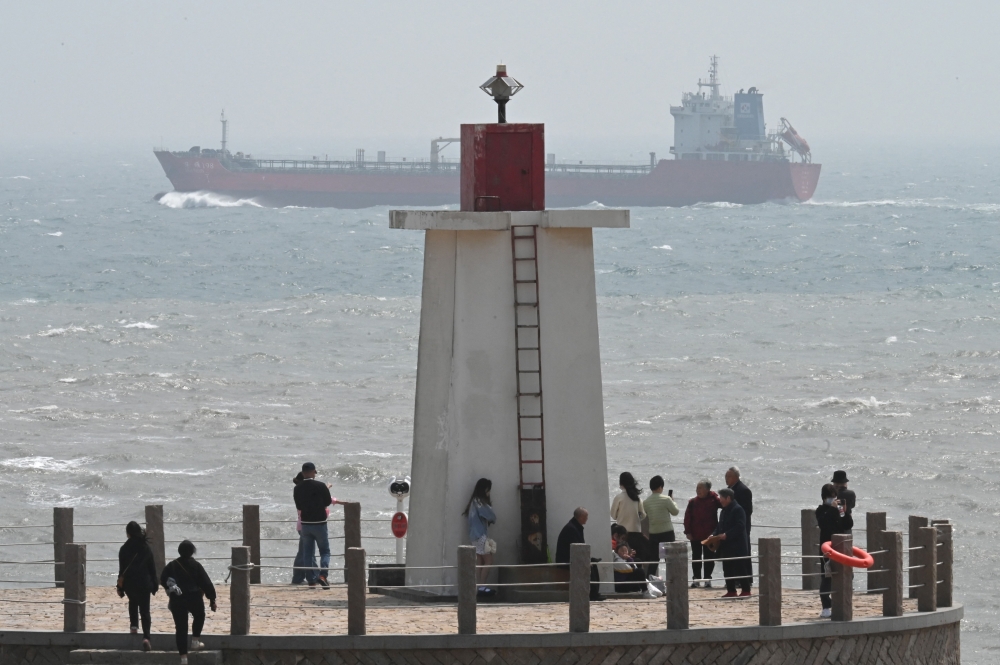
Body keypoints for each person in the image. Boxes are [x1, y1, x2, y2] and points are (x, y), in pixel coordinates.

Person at [160, 540, 217, 665]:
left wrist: (170, 587)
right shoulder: (196, 565)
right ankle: (195, 641)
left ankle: (183, 659)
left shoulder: (172, 565)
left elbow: (163, 579)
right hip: (193, 597)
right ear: (192, 552)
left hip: (177, 599)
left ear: (179, 551)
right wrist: (212, 599)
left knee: (181, 628)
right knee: (199, 615)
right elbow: (206, 583)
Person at [293, 462, 339, 588]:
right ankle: (323, 575)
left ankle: (311, 580)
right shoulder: (320, 486)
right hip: (320, 523)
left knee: (307, 553)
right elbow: (327, 502)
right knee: (325, 551)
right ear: (314, 472)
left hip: (305, 524)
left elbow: (299, 506)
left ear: (302, 473)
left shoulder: (297, 488)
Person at [702, 488, 751, 597]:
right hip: (726, 545)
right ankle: (731, 591)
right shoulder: (724, 510)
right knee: (727, 568)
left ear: (728, 498)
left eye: (722, 498)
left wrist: (727, 535)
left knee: (741, 568)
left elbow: (740, 526)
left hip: (738, 545)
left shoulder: (738, 509)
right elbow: (720, 526)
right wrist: (713, 534)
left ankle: (746, 590)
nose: (720, 500)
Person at [117, 521, 158, 651]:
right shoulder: (145, 547)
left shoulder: (124, 548)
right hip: (144, 583)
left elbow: (122, 569)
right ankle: (146, 637)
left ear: (128, 533)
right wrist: (154, 584)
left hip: (130, 583)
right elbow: (152, 568)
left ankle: (134, 626)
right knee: (145, 610)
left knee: (133, 602)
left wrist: (120, 587)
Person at [554, 507, 604, 600]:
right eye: (586, 516)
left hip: (574, 557)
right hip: (567, 560)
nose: (587, 518)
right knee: (589, 567)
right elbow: (576, 548)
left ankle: (595, 593)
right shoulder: (571, 529)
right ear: (580, 517)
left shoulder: (575, 526)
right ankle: (592, 594)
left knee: (593, 565)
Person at [816, 483, 850, 618]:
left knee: (844, 575)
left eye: (834, 497)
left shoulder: (839, 509)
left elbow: (848, 524)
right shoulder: (821, 510)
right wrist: (831, 509)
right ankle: (826, 606)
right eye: (831, 497)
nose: (833, 499)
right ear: (824, 498)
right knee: (827, 576)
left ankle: (840, 603)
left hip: (840, 547)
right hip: (827, 548)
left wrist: (844, 512)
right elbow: (823, 524)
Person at [683, 480, 721, 588]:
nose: (697, 490)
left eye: (700, 488)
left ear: (707, 490)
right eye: (697, 488)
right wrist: (688, 531)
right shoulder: (692, 502)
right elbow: (687, 518)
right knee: (696, 557)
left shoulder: (714, 500)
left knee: (709, 558)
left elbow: (725, 505)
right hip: (695, 535)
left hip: (710, 535)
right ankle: (696, 579)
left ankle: (708, 579)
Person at [462, 478, 496, 596]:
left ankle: (479, 586)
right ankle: (482, 586)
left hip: (474, 536)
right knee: (489, 560)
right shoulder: (479, 502)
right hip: (480, 535)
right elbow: (491, 515)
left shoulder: (473, 502)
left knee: (480, 561)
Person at [643, 475, 679, 576]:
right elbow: (675, 512)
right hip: (667, 533)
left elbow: (643, 515)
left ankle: (649, 582)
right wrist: (673, 501)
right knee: (670, 559)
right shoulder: (666, 499)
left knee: (654, 560)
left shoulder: (646, 502)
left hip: (654, 534)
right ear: (660, 487)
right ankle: (672, 582)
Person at [610, 472, 648, 567]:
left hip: (623, 535)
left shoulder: (619, 498)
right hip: (636, 534)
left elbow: (613, 516)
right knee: (636, 561)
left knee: (624, 561)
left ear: (621, 483)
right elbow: (643, 515)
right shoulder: (637, 498)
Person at [725, 466, 753, 538]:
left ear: (736, 477)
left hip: (740, 528)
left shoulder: (744, 490)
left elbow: (748, 511)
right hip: (729, 528)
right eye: (726, 476)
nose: (726, 478)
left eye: (729, 476)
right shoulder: (727, 490)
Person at [831, 470, 856, 534]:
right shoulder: (851, 493)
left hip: (834, 523)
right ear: (845, 483)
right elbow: (853, 505)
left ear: (835, 484)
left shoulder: (832, 495)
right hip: (847, 522)